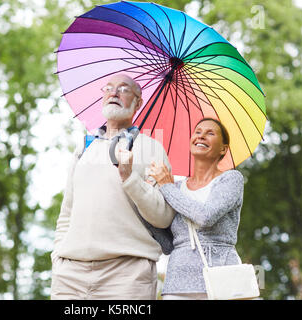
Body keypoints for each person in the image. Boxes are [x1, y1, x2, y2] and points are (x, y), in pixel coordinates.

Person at [50, 74, 175, 300]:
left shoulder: (153, 149)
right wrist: (58, 257)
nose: (114, 93)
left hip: (127, 275)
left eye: (124, 89)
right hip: (70, 276)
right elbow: (66, 212)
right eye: (108, 88)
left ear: (139, 102)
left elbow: (163, 217)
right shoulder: (84, 146)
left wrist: (129, 178)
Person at [148, 118, 245, 300]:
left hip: (222, 279)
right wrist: (147, 198)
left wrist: (165, 188)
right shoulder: (175, 187)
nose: (201, 136)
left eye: (210, 133)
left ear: (223, 149)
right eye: (198, 132)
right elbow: (169, 245)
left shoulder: (231, 179)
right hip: (178, 285)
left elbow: (205, 217)